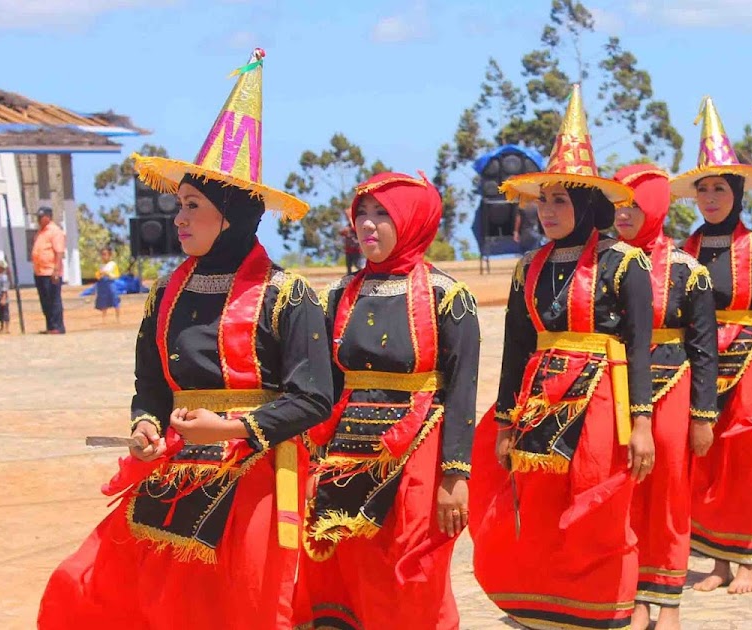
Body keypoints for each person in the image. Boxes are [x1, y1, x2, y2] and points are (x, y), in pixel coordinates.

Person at [38, 48, 335, 630]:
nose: (179, 218)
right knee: (113, 589)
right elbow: (150, 383)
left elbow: (314, 398)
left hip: (255, 474)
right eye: (178, 205)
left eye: (193, 206)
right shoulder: (164, 292)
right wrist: (146, 426)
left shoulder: (287, 294)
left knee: (238, 606)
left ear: (230, 215)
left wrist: (228, 428)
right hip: (176, 467)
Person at [470, 85, 656, 630]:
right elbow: (516, 349)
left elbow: (641, 349)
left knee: (599, 510)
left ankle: (606, 612)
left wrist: (640, 423)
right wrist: (505, 421)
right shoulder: (529, 266)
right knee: (541, 509)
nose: (548, 210)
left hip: (603, 402)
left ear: (587, 205)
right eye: (543, 199)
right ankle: (547, 611)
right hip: (539, 403)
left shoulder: (626, 264)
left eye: (560, 200)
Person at [296, 172, 478, 630]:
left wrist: (455, 476)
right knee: (353, 567)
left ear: (413, 221)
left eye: (383, 214)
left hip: (421, 452)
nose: (368, 225)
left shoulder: (448, 297)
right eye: (362, 214)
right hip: (346, 453)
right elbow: (326, 384)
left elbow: (461, 391)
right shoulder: (337, 295)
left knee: (414, 569)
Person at [670, 96, 752, 594]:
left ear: (737, 193)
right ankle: (714, 559)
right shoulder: (686, 251)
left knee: (745, 457)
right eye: (703, 190)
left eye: (720, 188)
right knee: (704, 456)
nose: (711, 198)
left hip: (750, 360)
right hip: (698, 361)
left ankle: (745, 559)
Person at [613, 163, 718, 629]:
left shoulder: (687, 271)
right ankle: (634, 600)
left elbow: (704, 348)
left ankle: (669, 603)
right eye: (617, 204)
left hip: (672, 384)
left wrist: (703, 415)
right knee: (626, 494)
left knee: (670, 493)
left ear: (655, 207)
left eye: (634, 205)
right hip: (616, 390)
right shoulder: (605, 266)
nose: (624, 214)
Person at [31, 205, 66, 334]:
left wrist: (56, 271)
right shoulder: (40, 232)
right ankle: (50, 326)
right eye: (38, 217)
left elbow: (58, 252)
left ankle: (57, 326)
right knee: (45, 301)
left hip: (51, 272)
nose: (39, 219)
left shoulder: (55, 231)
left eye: (41, 217)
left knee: (54, 300)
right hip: (39, 272)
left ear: (48, 217)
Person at [94, 246, 122, 323]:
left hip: (110, 284)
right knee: (103, 302)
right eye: (102, 254)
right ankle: (104, 319)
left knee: (115, 300)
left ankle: (118, 318)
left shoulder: (112, 264)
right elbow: (97, 276)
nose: (103, 256)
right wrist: (99, 275)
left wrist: (107, 274)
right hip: (102, 285)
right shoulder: (101, 266)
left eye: (105, 254)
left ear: (109, 255)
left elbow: (116, 275)